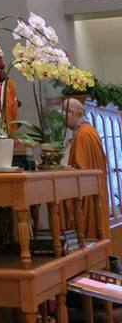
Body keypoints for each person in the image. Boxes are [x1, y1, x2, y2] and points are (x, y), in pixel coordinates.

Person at [65, 97, 109, 239]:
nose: (62, 119)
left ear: (71, 112)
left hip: (88, 198)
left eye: (63, 113)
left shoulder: (82, 135)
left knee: (90, 233)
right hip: (98, 194)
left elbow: (81, 171)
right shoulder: (91, 131)